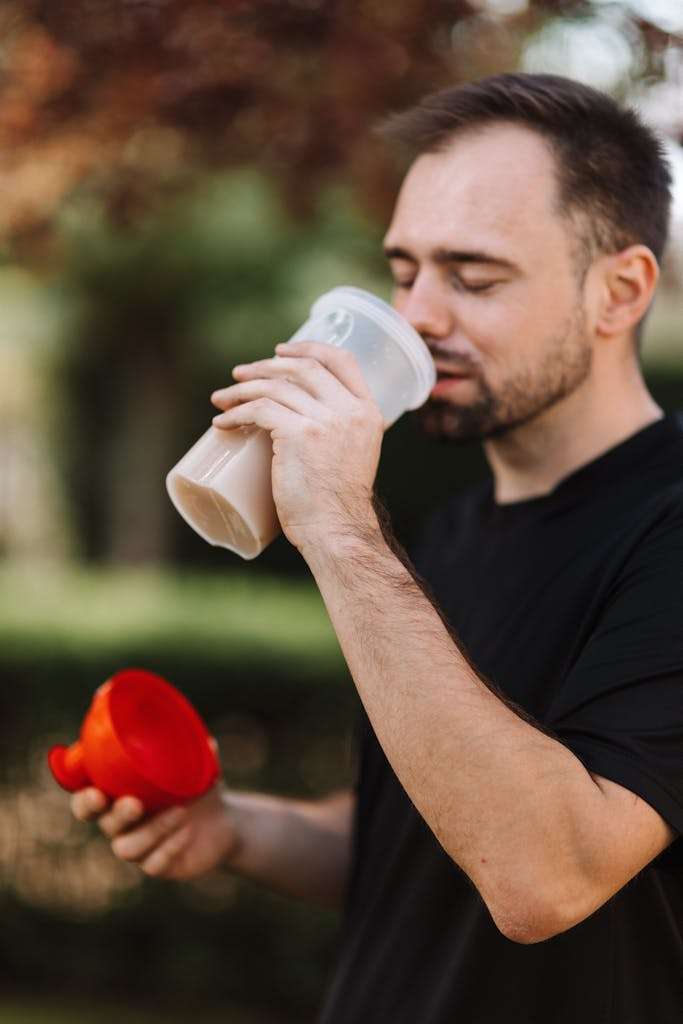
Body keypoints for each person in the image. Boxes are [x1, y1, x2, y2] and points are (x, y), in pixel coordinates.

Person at [72, 73, 683, 1022]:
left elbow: (544, 876)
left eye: (473, 277)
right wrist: (235, 828)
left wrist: (337, 526)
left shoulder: (665, 525)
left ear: (619, 291)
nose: (420, 316)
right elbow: (429, 824)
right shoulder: (447, 534)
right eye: (404, 272)